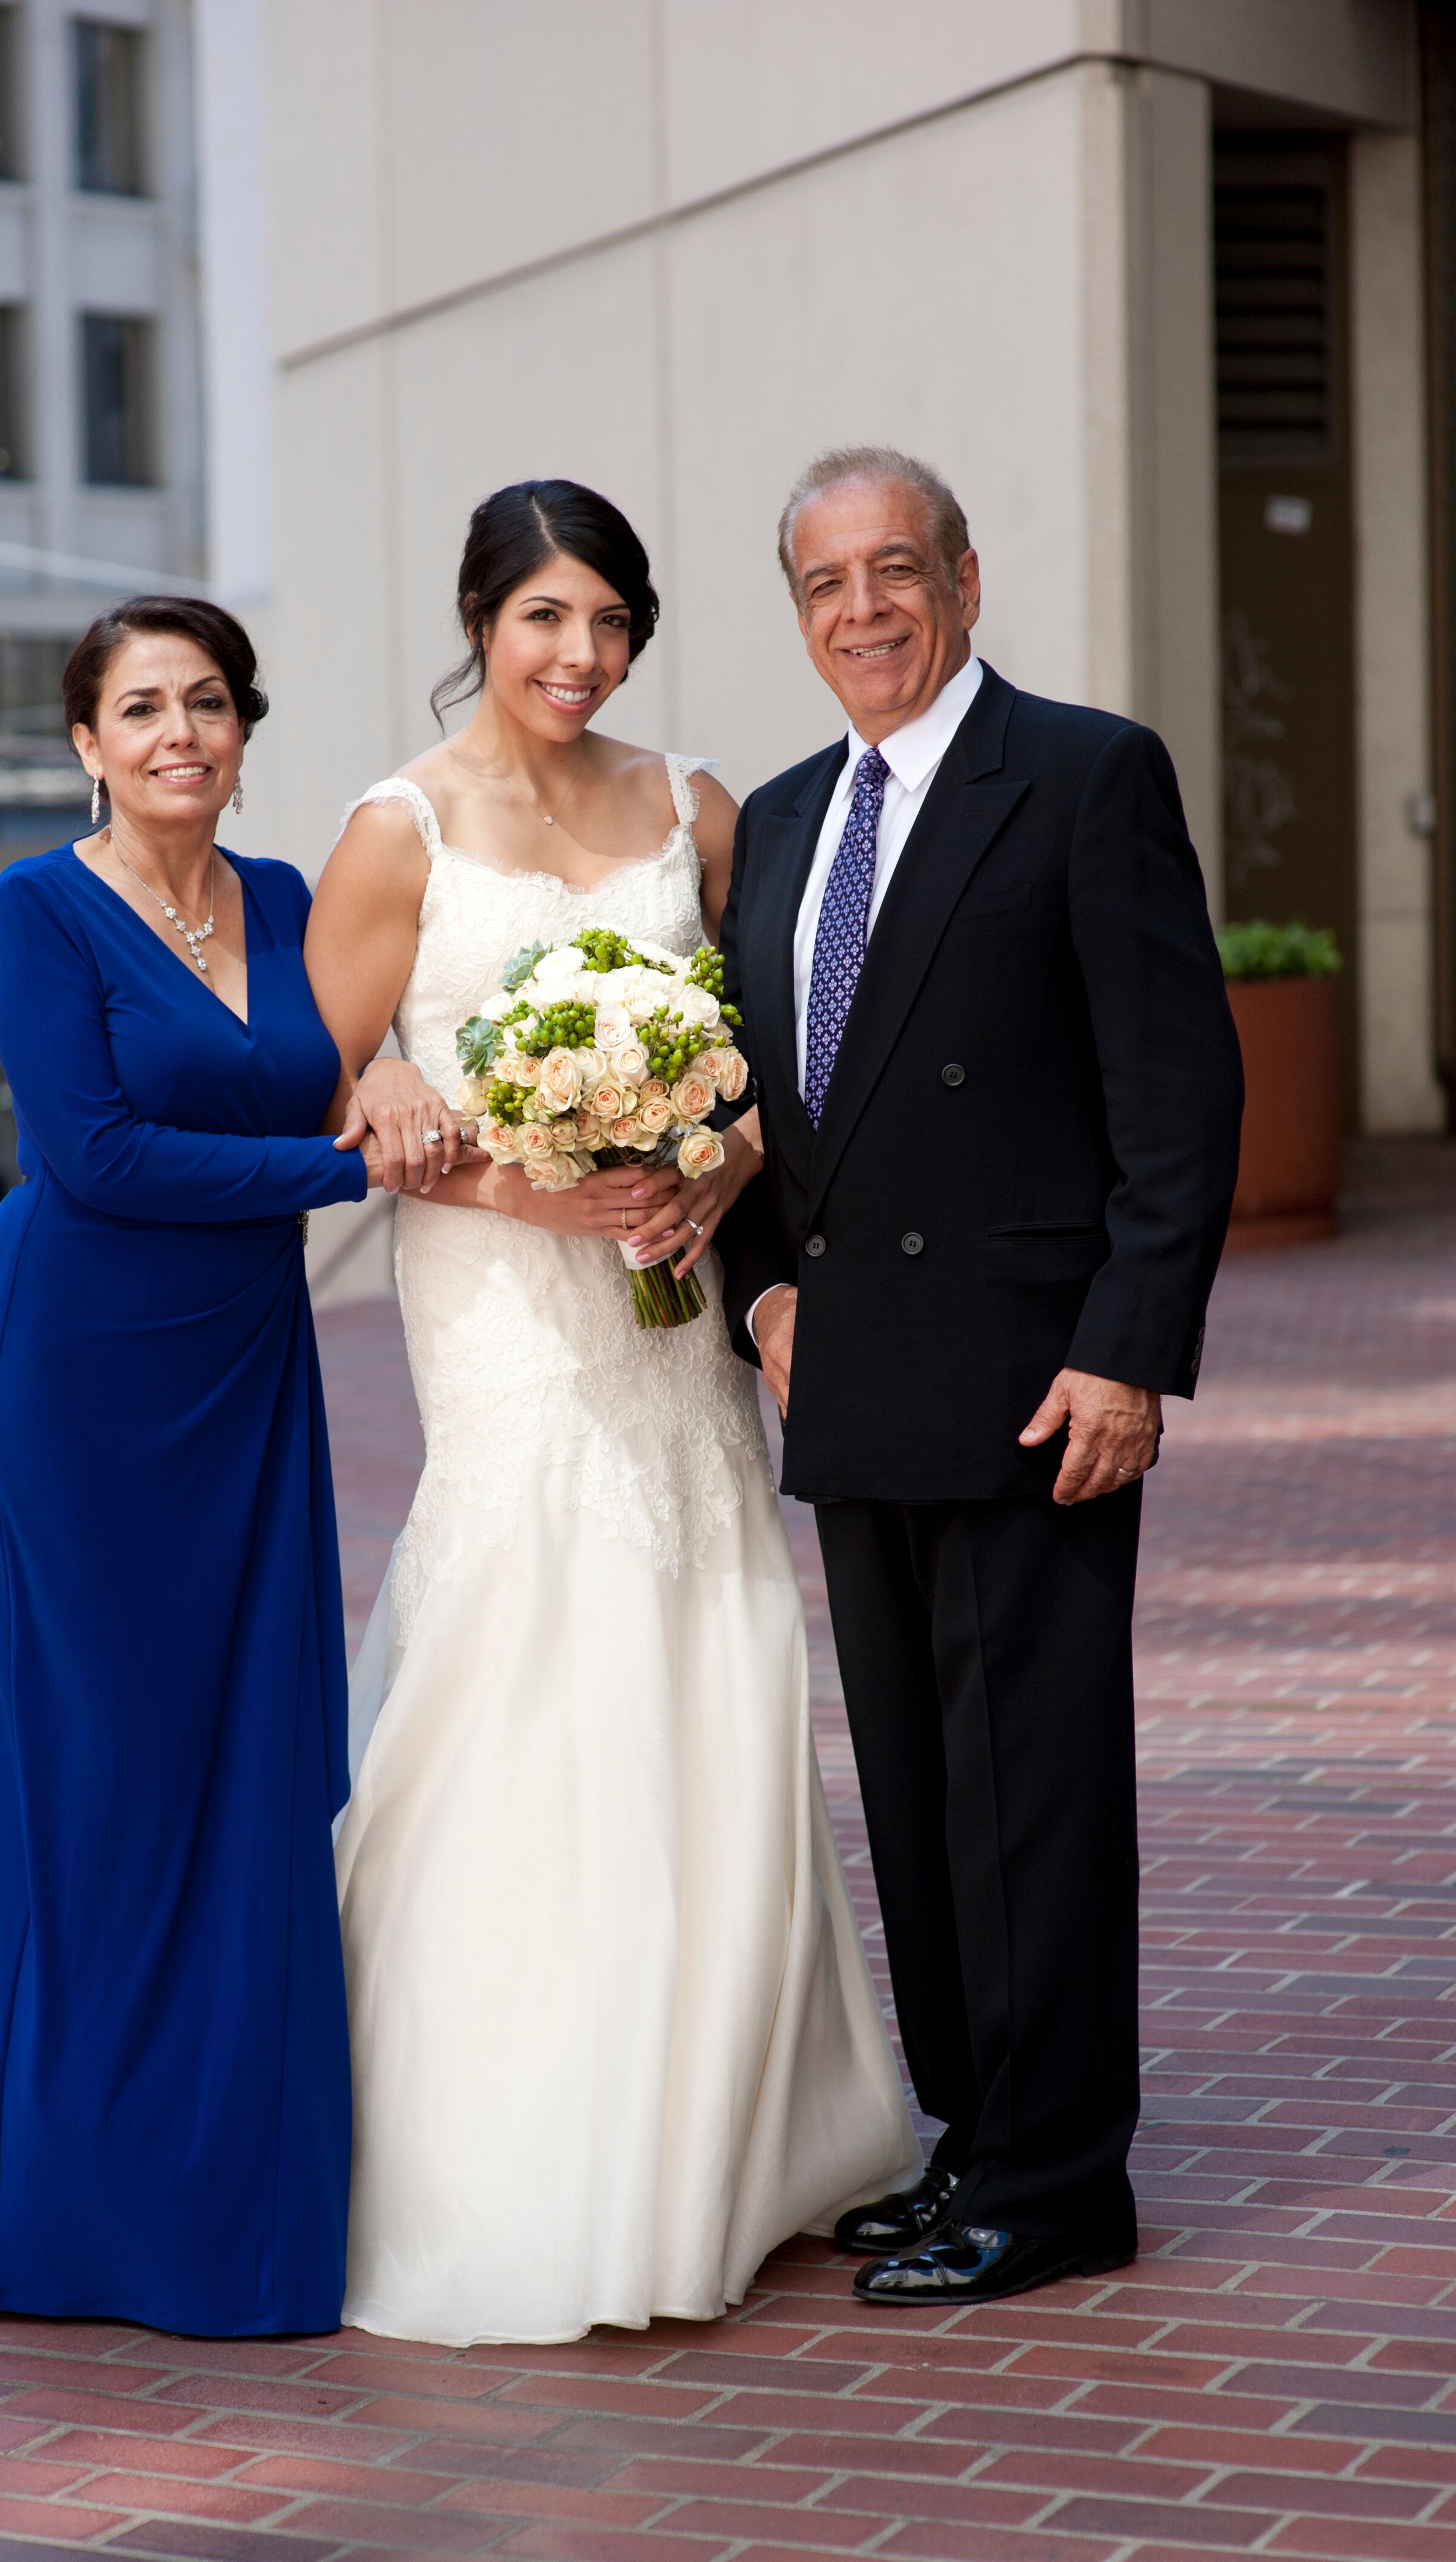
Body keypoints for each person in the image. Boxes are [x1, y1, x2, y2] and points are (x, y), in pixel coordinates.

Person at [306, 477, 920, 2347]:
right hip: (503, 1309)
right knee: (518, 1653)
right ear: (478, 622)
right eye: (542, 619)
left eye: (608, 622)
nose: (578, 657)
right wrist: (503, 1174)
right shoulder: (395, 829)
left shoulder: (693, 805)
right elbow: (314, 1089)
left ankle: (736, 2133)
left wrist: (716, 1168)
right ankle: (503, 2137)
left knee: (704, 1643)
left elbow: (782, 1064)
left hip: (672, 1313)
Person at [717, 447, 1244, 2308]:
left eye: (892, 569)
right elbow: (756, 1115)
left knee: (1030, 1787)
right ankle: (969, 2131)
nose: (860, 608)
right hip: (852, 1376)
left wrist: (1127, 1348)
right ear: (793, 612)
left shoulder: (1084, 774)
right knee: (921, 1787)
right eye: (821, 582)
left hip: (1034, 1379)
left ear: (959, 575)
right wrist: (760, 1295)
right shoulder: (779, 818)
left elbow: (1175, 1094)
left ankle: (1057, 2170)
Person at [0, 597, 382, 2337]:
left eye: (211, 701)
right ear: (86, 742)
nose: (181, 732)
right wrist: (343, 1179)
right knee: (98, 1772)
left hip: (246, 1368)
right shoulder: (39, 907)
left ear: (245, 727)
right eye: (142, 707)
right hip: (84, 1380)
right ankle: (82, 2215)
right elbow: (96, 1157)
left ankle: (233, 2193)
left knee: (250, 1759)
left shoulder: (298, 902)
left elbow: (353, 1087)